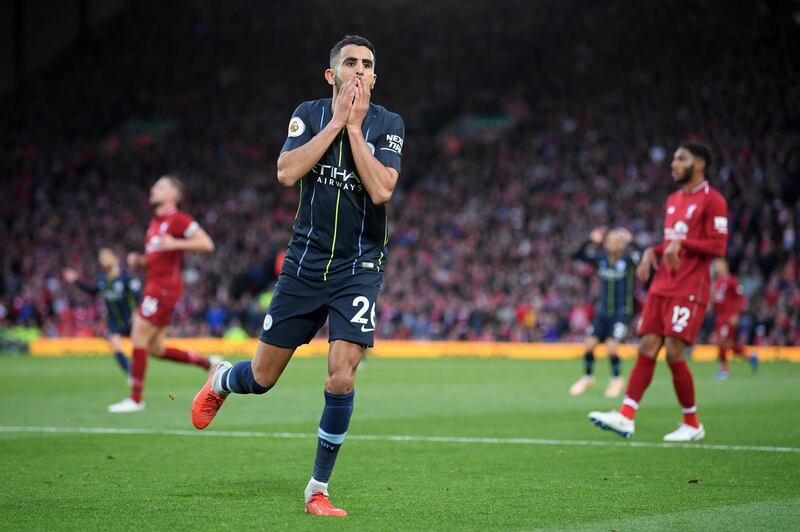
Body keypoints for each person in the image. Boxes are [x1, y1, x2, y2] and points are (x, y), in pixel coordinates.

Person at [191, 35, 404, 517]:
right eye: (349, 63)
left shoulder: (389, 125)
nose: (358, 71)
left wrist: (354, 130)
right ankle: (224, 379)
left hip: (359, 268)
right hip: (305, 265)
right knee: (263, 378)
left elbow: (382, 189)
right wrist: (336, 124)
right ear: (331, 75)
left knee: (343, 376)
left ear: (374, 77)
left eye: (367, 65)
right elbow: (287, 172)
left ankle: (317, 490)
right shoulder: (307, 114)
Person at [589, 141, 728, 442]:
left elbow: (718, 246)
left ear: (700, 164)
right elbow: (670, 243)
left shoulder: (713, 200)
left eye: (681, 159)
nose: (673, 164)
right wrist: (653, 251)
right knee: (647, 346)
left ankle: (692, 423)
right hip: (662, 284)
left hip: (690, 286)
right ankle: (626, 417)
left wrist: (684, 244)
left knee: (674, 350)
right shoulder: (673, 199)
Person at [107, 175, 219, 413]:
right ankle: (207, 362)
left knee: (138, 332)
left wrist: (176, 244)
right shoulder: (154, 224)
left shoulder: (178, 219)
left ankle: (136, 399)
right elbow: (158, 258)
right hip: (155, 285)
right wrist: (142, 261)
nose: (153, 189)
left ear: (173, 195)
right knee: (155, 348)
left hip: (163, 289)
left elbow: (207, 244)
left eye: (159, 186)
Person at [569, 227, 639, 398]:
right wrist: (590, 240)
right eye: (609, 240)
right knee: (589, 345)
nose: (611, 244)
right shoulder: (601, 259)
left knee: (612, 347)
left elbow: (645, 256)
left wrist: (632, 241)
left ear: (622, 244)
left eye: (616, 241)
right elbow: (576, 255)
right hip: (602, 312)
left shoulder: (629, 260)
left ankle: (616, 380)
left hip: (621, 312)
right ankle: (587, 377)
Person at [63, 248, 141, 376]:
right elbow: (93, 291)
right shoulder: (103, 278)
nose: (102, 260)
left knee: (144, 347)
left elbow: (138, 293)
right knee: (116, 346)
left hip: (130, 318)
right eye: (101, 258)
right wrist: (76, 280)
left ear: (115, 257)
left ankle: (138, 369)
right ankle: (130, 374)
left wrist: (137, 311)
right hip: (113, 321)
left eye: (105, 257)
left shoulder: (126, 276)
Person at [711, 258, 758, 378]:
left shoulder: (732, 281)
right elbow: (716, 301)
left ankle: (724, 369)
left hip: (728, 318)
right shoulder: (716, 282)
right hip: (719, 318)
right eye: (715, 265)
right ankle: (750, 356)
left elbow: (741, 298)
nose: (716, 268)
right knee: (728, 345)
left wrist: (737, 314)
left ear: (725, 266)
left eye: (719, 265)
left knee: (721, 342)